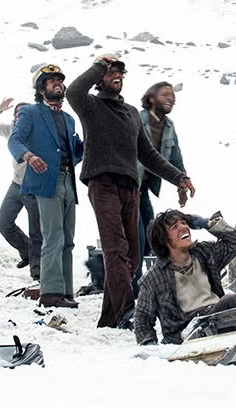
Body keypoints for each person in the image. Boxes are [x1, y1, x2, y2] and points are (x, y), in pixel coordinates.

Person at [67, 53, 195, 328]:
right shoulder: (90, 105)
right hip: (103, 183)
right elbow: (73, 90)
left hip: (130, 187)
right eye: (110, 72)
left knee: (133, 256)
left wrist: (179, 178)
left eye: (120, 72)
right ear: (100, 79)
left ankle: (110, 318)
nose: (116, 75)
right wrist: (100, 64)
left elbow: (147, 154)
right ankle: (127, 311)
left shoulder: (130, 114)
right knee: (115, 249)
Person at [9, 65, 85, 308]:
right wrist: (30, 157)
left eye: (59, 81)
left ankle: (66, 291)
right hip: (45, 182)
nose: (57, 84)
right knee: (53, 236)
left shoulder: (69, 118)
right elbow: (15, 140)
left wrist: (86, 147)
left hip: (68, 180)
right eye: (51, 81)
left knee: (68, 239)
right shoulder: (31, 113)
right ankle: (51, 293)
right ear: (41, 88)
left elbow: (74, 153)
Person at [134, 210, 236, 345]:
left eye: (184, 223)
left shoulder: (204, 254)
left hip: (217, 318)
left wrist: (207, 223)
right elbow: (142, 318)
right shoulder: (154, 277)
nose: (183, 227)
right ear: (163, 239)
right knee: (230, 301)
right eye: (174, 227)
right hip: (188, 333)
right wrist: (150, 345)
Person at [0, 97, 42, 280]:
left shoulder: (38, 133)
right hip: (15, 186)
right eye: (16, 114)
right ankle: (28, 251)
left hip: (34, 188)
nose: (18, 117)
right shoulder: (11, 130)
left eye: (22, 115)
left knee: (37, 231)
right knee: (4, 223)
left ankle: (38, 272)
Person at [134, 81, 188, 288]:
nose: (170, 99)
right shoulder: (136, 119)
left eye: (172, 95)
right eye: (165, 94)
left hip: (145, 188)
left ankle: (148, 281)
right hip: (130, 185)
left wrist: (181, 184)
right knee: (137, 235)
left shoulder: (168, 126)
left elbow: (175, 157)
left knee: (151, 234)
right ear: (151, 99)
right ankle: (134, 286)